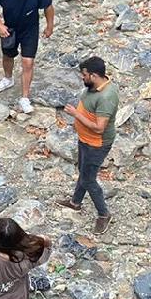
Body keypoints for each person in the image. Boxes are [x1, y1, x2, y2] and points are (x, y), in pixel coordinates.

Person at [55, 56, 120, 235]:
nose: (82, 78)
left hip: (96, 144)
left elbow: (99, 128)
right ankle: (75, 202)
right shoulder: (93, 87)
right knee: (83, 171)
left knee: (88, 179)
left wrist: (76, 114)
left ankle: (104, 214)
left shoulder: (106, 97)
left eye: (84, 75)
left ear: (94, 75)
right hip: (85, 139)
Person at [0, 0, 55, 114]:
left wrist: (50, 26)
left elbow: (48, 7)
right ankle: (8, 79)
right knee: (8, 56)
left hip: (30, 30)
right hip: (9, 29)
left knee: (28, 62)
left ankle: (24, 97)